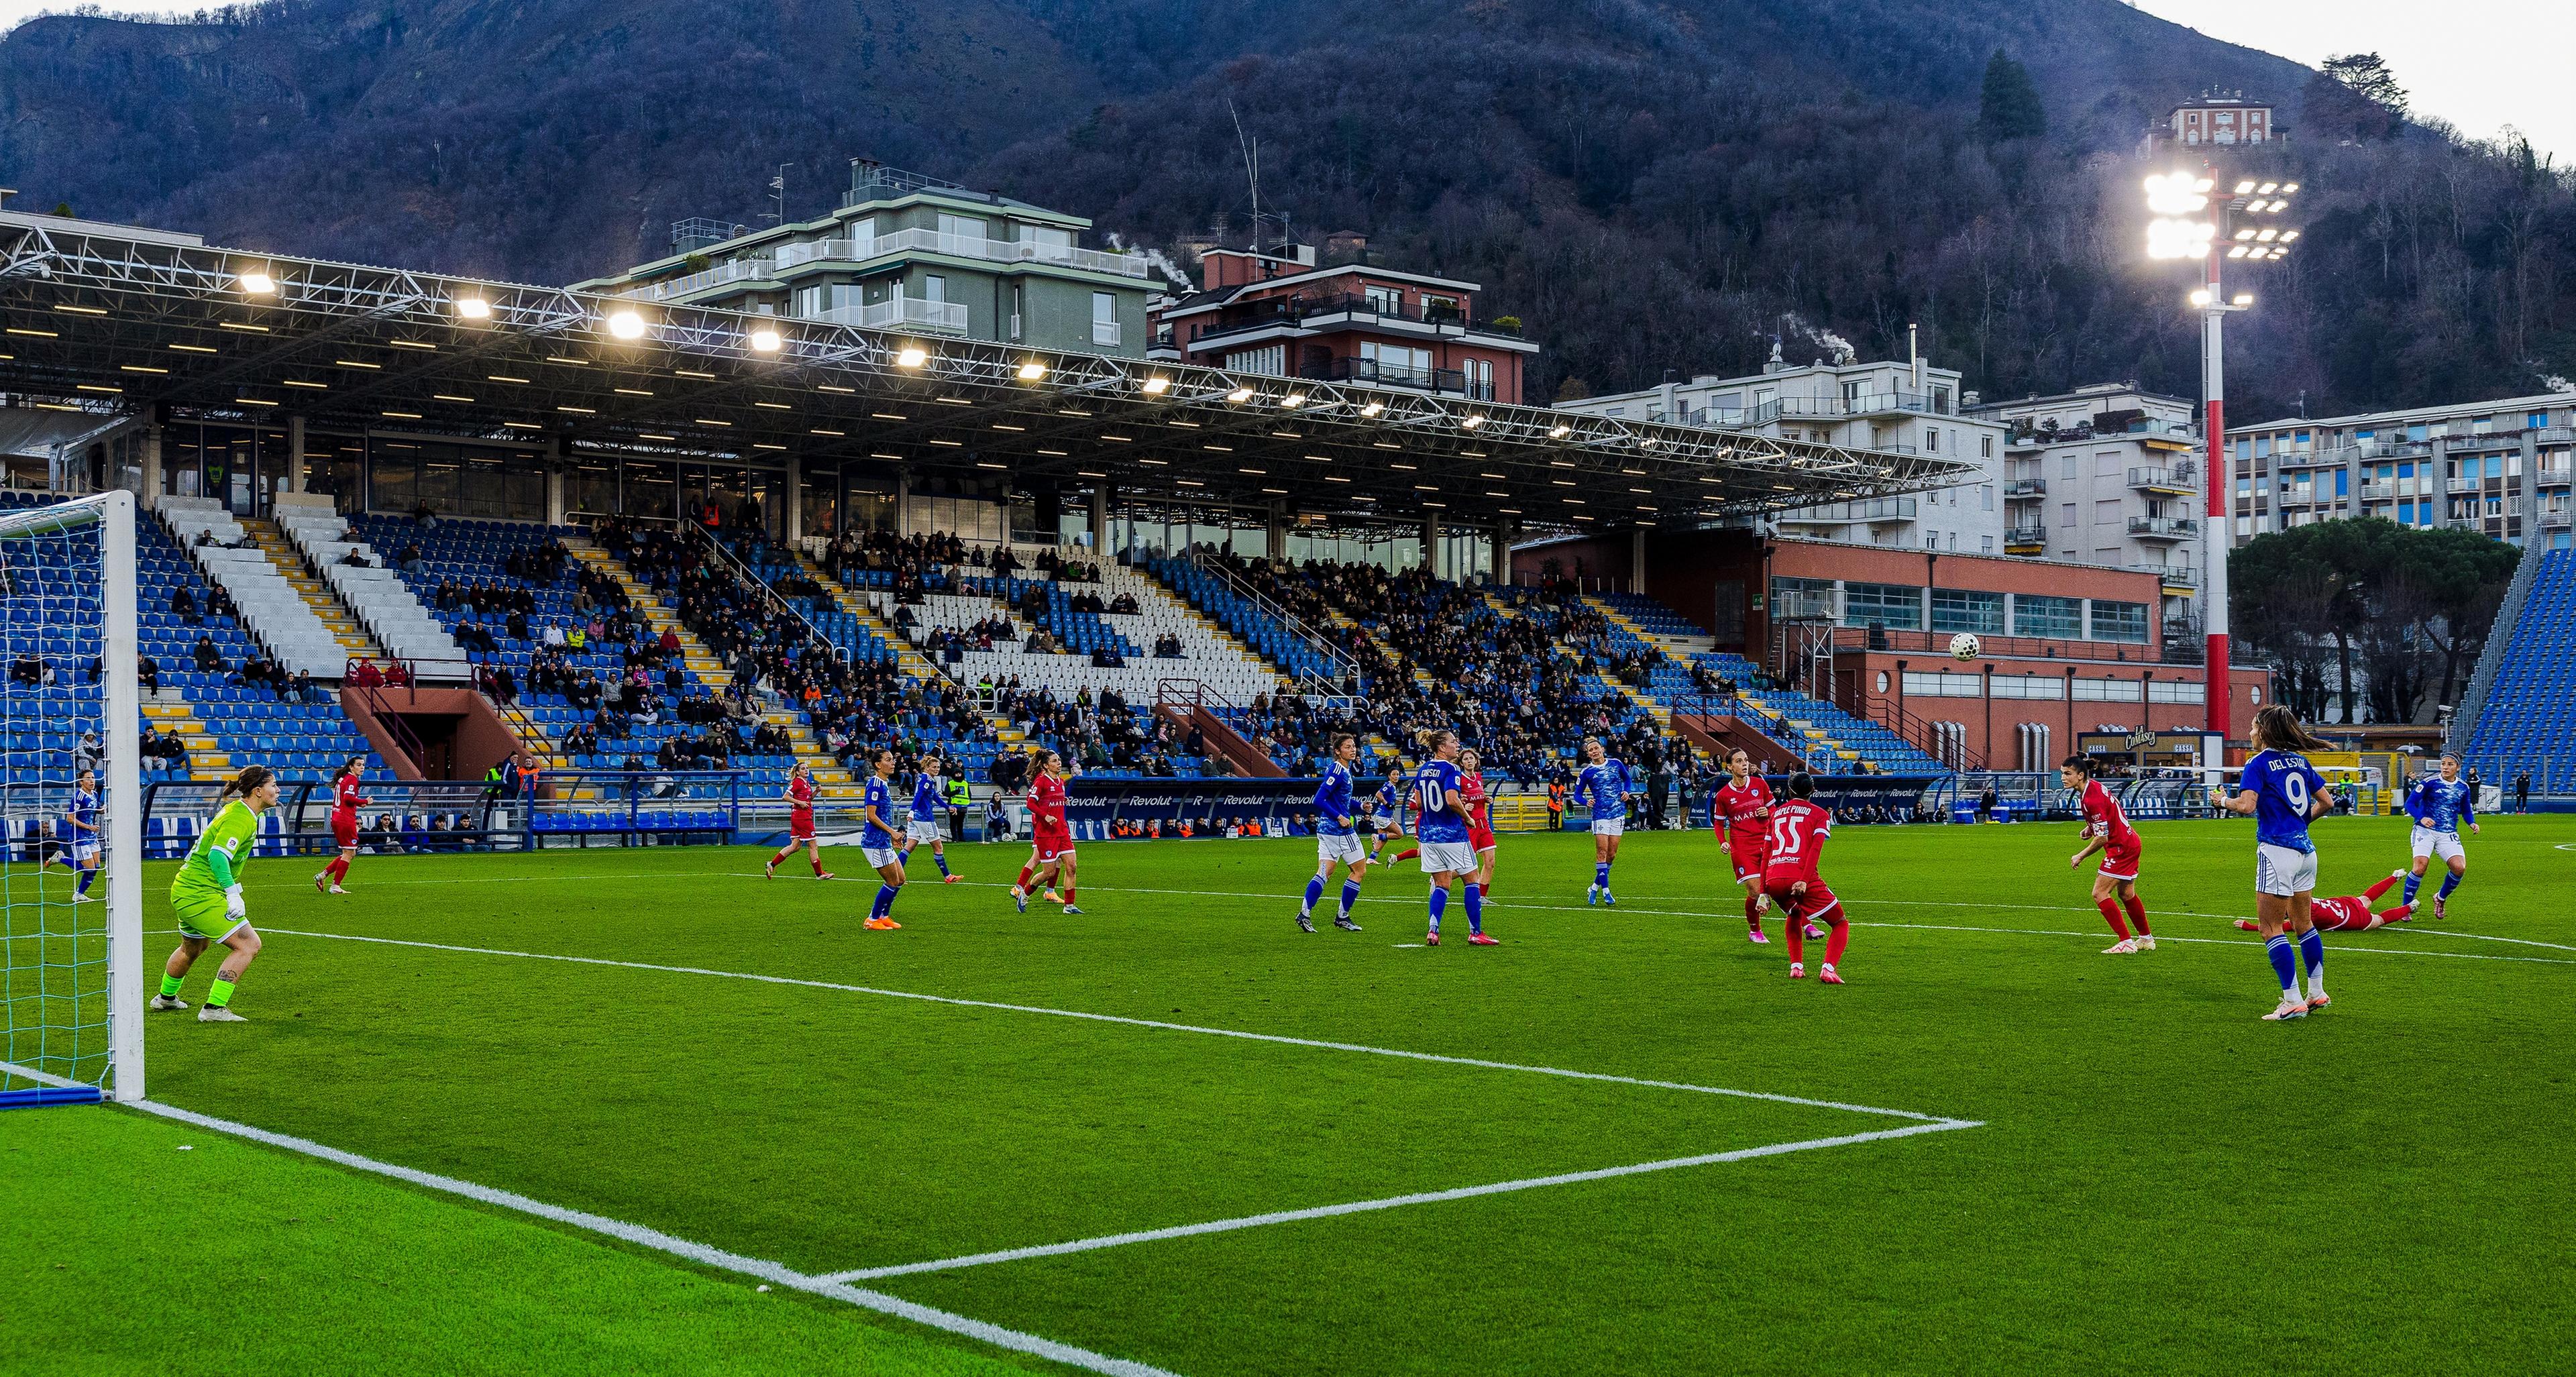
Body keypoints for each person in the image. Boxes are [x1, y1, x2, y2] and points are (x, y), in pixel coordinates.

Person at [2216, 704, 2335, 1021]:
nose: (2251, 732)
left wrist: (2222, 801)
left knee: (2270, 928)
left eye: (2254, 726)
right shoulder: (2300, 761)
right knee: (2304, 924)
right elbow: (2327, 802)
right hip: (2306, 852)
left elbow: (2245, 806)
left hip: (2277, 852)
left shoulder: (2258, 763)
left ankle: (2292, 1001)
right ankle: (2317, 993)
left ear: (2265, 731)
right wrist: (2299, 824)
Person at [152, 765, 278, 1022]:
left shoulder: (241, 812)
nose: (278, 790)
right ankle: (214, 1009)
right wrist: (233, 893)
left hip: (188, 888)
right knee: (249, 945)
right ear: (257, 791)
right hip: (199, 893)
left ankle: (165, 998)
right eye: (273, 785)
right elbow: (218, 855)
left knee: (193, 948)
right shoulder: (240, 817)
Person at [1763, 773, 1849, 983]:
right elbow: (1815, 848)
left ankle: (1797, 967)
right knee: (1840, 923)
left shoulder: (1775, 814)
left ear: (1790, 791)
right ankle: (1828, 969)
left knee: (1794, 913)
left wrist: (1764, 891)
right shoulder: (1819, 814)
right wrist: (1804, 879)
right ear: (1813, 790)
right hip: (1799, 875)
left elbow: (1766, 851)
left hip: (1774, 878)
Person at [2062, 755, 2153, 954]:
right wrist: (2090, 828)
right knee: (2126, 894)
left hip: (2121, 848)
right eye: (2062, 773)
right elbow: (2109, 811)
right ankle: (2146, 939)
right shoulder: (2092, 787)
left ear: (2080, 775)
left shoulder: (2090, 798)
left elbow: (2102, 838)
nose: (2063, 777)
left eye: (2068, 774)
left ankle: (2126, 942)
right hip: (2130, 842)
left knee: (2099, 893)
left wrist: (2081, 855)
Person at [1413, 730, 1495, 946]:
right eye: (1452, 741)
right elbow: (1451, 800)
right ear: (1442, 747)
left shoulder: (1422, 770)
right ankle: (1476, 932)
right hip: (1452, 835)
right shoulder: (1452, 768)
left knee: (1442, 884)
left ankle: (1433, 931)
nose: (1457, 744)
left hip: (1429, 834)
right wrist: (1467, 817)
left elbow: (1419, 802)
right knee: (1472, 880)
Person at [1295, 734, 1369, 933]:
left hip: (1326, 830)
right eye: (1347, 747)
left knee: (1325, 872)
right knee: (1359, 871)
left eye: (1354, 746)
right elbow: (1319, 800)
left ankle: (1305, 913)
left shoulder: (1343, 769)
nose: (1353, 750)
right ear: (1337, 751)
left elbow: (1342, 801)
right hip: (1339, 831)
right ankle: (1342, 916)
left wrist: (1360, 806)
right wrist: (1339, 817)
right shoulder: (1338, 770)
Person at [2402, 753, 2477, 919]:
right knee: (2420, 867)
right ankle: (2405, 908)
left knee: (2459, 868)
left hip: (2448, 833)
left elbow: (2465, 810)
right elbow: (2409, 804)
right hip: (2424, 831)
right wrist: (2422, 817)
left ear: (2457, 767)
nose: (2445, 767)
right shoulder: (2430, 782)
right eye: (2443, 764)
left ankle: (2440, 898)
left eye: (2450, 764)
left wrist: (2471, 822)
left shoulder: (2463, 787)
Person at [1711, 748, 1775, 944]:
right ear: (1730, 767)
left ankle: (1807, 924)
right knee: (1756, 892)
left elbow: (1774, 809)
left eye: (1746, 760)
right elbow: (1719, 823)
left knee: (1778, 886)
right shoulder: (1723, 795)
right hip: (1741, 847)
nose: (1745, 764)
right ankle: (1755, 930)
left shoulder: (1759, 784)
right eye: (1739, 761)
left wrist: (1768, 812)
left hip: (1765, 841)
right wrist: (1723, 842)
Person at [1010, 748, 1083, 915]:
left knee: (1072, 866)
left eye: (1059, 760)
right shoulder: (1041, 781)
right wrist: (1046, 816)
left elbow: (1051, 800)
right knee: (1049, 873)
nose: (1059, 763)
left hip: (1062, 831)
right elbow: (1031, 804)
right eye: (1055, 761)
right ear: (1045, 765)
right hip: (1047, 834)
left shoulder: (1060, 781)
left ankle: (1070, 906)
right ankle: (1025, 893)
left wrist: (1062, 800)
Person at [2237, 871, 2415, 934]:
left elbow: (2280, 927)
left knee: (2379, 920)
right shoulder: (2303, 901)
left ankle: (2411, 906)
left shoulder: (2301, 917)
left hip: (2349, 919)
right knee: (2365, 899)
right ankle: (2394, 877)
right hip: (2344, 904)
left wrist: (2249, 926)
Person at [1576, 736, 1634, 905]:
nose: (1594, 752)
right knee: (1601, 853)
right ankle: (1607, 892)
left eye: (1596, 748)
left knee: (1612, 855)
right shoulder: (1587, 772)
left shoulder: (1616, 763)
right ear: (1588, 754)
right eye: (1590, 750)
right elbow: (1577, 794)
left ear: (1602, 749)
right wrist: (1586, 802)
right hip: (1600, 815)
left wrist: (1627, 791)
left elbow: (1627, 779)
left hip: (1618, 814)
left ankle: (1594, 887)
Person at [857, 749, 904, 930]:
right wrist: (892, 832)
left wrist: (891, 836)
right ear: (878, 764)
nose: (893, 763)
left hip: (883, 841)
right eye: (888, 760)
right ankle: (872, 918)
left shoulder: (884, 784)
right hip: (875, 842)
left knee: (900, 879)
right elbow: (871, 815)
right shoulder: (875, 783)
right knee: (892, 881)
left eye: (893, 759)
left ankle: (884, 915)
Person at [765, 761, 833, 881]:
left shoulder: (805, 783)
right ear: (797, 772)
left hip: (800, 817)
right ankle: (819, 874)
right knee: (813, 845)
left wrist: (816, 792)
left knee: (795, 846)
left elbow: (807, 800)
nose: (806, 770)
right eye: (803, 769)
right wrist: (799, 803)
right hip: (803, 818)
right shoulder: (797, 782)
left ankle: (772, 864)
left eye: (807, 768)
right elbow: (785, 797)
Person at [313, 757, 370, 894]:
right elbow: (348, 798)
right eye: (359, 765)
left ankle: (323, 875)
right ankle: (335, 886)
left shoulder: (343, 779)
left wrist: (359, 803)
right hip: (345, 819)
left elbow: (347, 799)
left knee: (349, 852)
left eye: (363, 765)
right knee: (349, 853)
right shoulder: (352, 779)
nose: (362, 767)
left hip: (338, 817)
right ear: (351, 767)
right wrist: (365, 801)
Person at [900, 757, 961, 883]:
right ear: (927, 768)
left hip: (916, 818)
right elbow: (919, 795)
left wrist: (947, 807)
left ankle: (896, 875)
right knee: (938, 848)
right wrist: (911, 810)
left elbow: (934, 796)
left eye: (938, 767)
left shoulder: (923, 778)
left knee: (909, 847)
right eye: (934, 767)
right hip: (925, 819)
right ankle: (948, 876)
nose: (937, 769)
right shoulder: (927, 779)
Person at [1459, 747, 1500, 903]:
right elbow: (1453, 799)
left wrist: (1485, 799)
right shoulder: (1460, 779)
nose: (1469, 761)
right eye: (1466, 759)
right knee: (1467, 864)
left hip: (1483, 823)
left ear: (1476, 760)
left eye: (1471, 759)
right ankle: (1439, 878)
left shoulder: (1478, 776)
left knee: (1490, 861)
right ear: (1462, 763)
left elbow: (1478, 796)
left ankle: (1481, 897)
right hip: (1469, 824)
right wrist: (1464, 807)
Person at [61, 768, 102, 902]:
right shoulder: (79, 797)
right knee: (89, 868)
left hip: (92, 836)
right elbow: (70, 819)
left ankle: (79, 894)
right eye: (88, 778)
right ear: (81, 782)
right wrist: (90, 827)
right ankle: (61, 858)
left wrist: (103, 810)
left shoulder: (95, 794)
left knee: (96, 867)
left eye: (93, 778)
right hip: (79, 837)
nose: (92, 781)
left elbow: (95, 810)